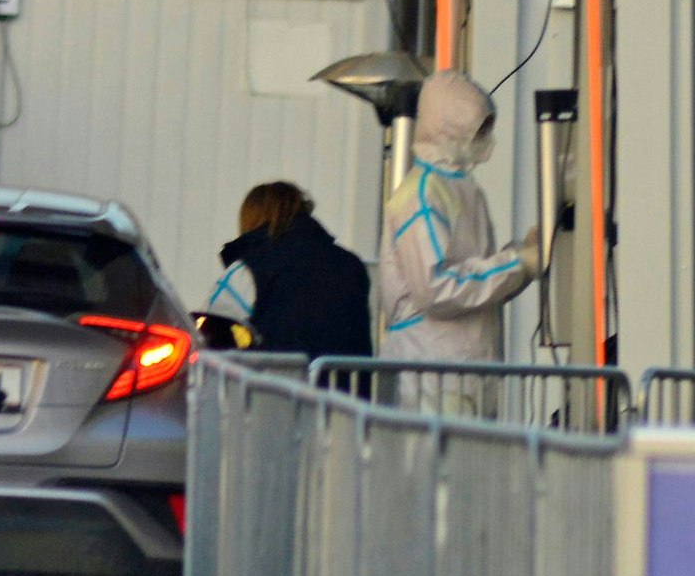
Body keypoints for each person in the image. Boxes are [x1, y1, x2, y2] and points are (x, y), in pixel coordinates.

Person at [376, 70, 543, 362]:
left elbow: (477, 287)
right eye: (479, 129)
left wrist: (522, 260)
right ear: (450, 129)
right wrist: (517, 263)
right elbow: (437, 289)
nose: (485, 138)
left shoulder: (460, 189)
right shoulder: (421, 195)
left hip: (465, 362)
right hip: (430, 363)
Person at [210, 181, 373, 360]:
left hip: (275, 377)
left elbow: (209, 331)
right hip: (343, 377)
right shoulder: (351, 265)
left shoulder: (249, 269)